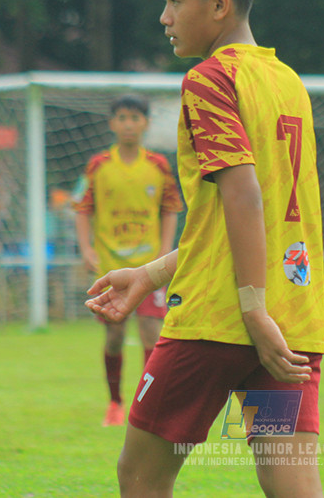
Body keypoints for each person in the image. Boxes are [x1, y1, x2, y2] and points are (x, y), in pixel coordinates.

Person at [86, 0, 324, 497]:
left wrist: (249, 310)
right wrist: (149, 274)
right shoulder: (288, 82)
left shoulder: (211, 80)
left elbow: (244, 196)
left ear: (218, 4)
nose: (165, 18)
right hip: (288, 325)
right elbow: (236, 219)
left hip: (217, 325)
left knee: (140, 474)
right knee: (291, 483)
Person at [73, 94, 182, 426]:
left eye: (135, 118)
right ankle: (115, 402)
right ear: (112, 124)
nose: (128, 124)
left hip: (150, 267)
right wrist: (86, 248)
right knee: (115, 336)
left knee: (152, 333)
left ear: (146, 123)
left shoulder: (159, 165)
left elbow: (170, 208)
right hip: (111, 267)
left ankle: (147, 404)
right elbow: (82, 207)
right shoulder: (99, 165)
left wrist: (166, 248)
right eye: (122, 118)